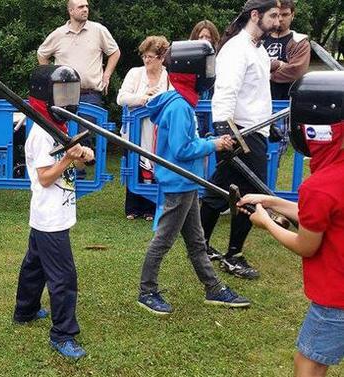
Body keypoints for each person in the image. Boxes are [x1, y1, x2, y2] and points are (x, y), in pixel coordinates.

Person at [238, 71, 344, 377]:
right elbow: (321, 217)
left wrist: (266, 224)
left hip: (335, 297)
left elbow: (306, 244)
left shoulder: (320, 186)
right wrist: (271, 202)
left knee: (308, 364)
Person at [136, 40, 251, 316]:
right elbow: (181, 150)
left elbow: (188, 141)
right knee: (163, 240)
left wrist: (211, 140)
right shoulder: (178, 107)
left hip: (186, 183)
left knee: (197, 242)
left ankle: (213, 288)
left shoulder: (183, 103)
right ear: (192, 72)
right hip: (178, 183)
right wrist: (213, 146)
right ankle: (146, 291)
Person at [12, 64, 94, 359]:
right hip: (50, 217)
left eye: (70, 92)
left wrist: (83, 155)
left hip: (53, 212)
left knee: (34, 265)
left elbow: (77, 162)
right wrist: (70, 159)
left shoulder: (57, 126)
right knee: (63, 277)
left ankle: (25, 310)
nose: (67, 99)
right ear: (45, 94)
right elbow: (45, 177)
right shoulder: (41, 134)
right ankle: (63, 334)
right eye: (61, 92)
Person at [199, 0, 281, 278]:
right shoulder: (236, 48)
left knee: (220, 190)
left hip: (254, 130)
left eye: (280, 16)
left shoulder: (258, 50)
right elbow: (225, 91)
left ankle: (202, 247)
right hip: (239, 133)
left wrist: (269, 127)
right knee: (246, 194)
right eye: (272, 16)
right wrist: (225, 130)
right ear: (255, 15)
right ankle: (232, 256)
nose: (278, 22)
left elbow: (255, 94)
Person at [116, 35, 170, 221]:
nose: (146, 60)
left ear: (161, 58)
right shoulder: (135, 73)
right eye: (144, 56)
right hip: (134, 129)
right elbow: (121, 98)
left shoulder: (168, 78)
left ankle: (151, 208)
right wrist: (143, 97)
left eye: (151, 57)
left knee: (155, 163)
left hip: (157, 130)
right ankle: (133, 207)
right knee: (134, 163)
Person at [37, 0, 120, 107]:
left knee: (88, 124)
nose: (85, 9)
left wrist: (106, 75)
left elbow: (115, 52)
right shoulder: (59, 34)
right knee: (64, 124)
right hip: (63, 95)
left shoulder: (98, 30)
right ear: (71, 11)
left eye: (86, 7)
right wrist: (50, 77)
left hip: (90, 95)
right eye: (81, 7)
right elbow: (42, 54)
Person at [262, 0, 310, 100]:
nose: (280, 19)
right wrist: (279, 64)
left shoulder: (299, 42)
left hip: (286, 103)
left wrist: (262, 73)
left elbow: (296, 71)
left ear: (292, 15)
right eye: (276, 15)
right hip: (259, 102)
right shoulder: (259, 40)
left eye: (285, 14)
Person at [189, 20, 222, 137]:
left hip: (213, 104)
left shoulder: (220, 57)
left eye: (207, 36)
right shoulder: (188, 59)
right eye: (201, 36)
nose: (204, 39)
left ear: (213, 39)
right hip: (194, 103)